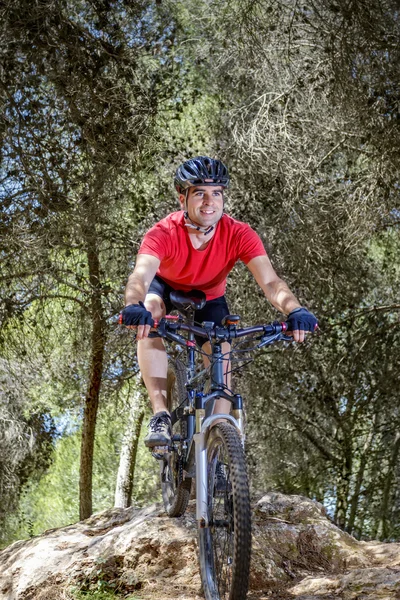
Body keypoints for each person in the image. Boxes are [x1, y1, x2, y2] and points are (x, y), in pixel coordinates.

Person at [120, 156, 317, 449]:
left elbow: (272, 283)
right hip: (165, 287)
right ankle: (160, 414)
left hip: (209, 296)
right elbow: (140, 276)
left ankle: (216, 450)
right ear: (182, 198)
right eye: (199, 192)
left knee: (222, 363)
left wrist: (294, 309)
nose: (209, 201)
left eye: (217, 193)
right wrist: (134, 304)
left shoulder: (239, 233)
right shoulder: (162, 233)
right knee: (150, 314)